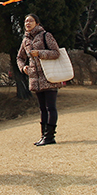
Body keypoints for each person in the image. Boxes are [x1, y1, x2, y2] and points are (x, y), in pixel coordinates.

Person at [17, 13, 62, 146]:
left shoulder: (45, 35)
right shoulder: (25, 40)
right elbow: (20, 57)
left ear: (37, 23)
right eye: (26, 21)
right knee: (42, 108)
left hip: (49, 76)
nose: (28, 23)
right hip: (35, 78)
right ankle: (43, 135)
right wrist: (23, 68)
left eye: (30, 21)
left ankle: (50, 136)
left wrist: (40, 53)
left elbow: (56, 52)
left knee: (50, 107)